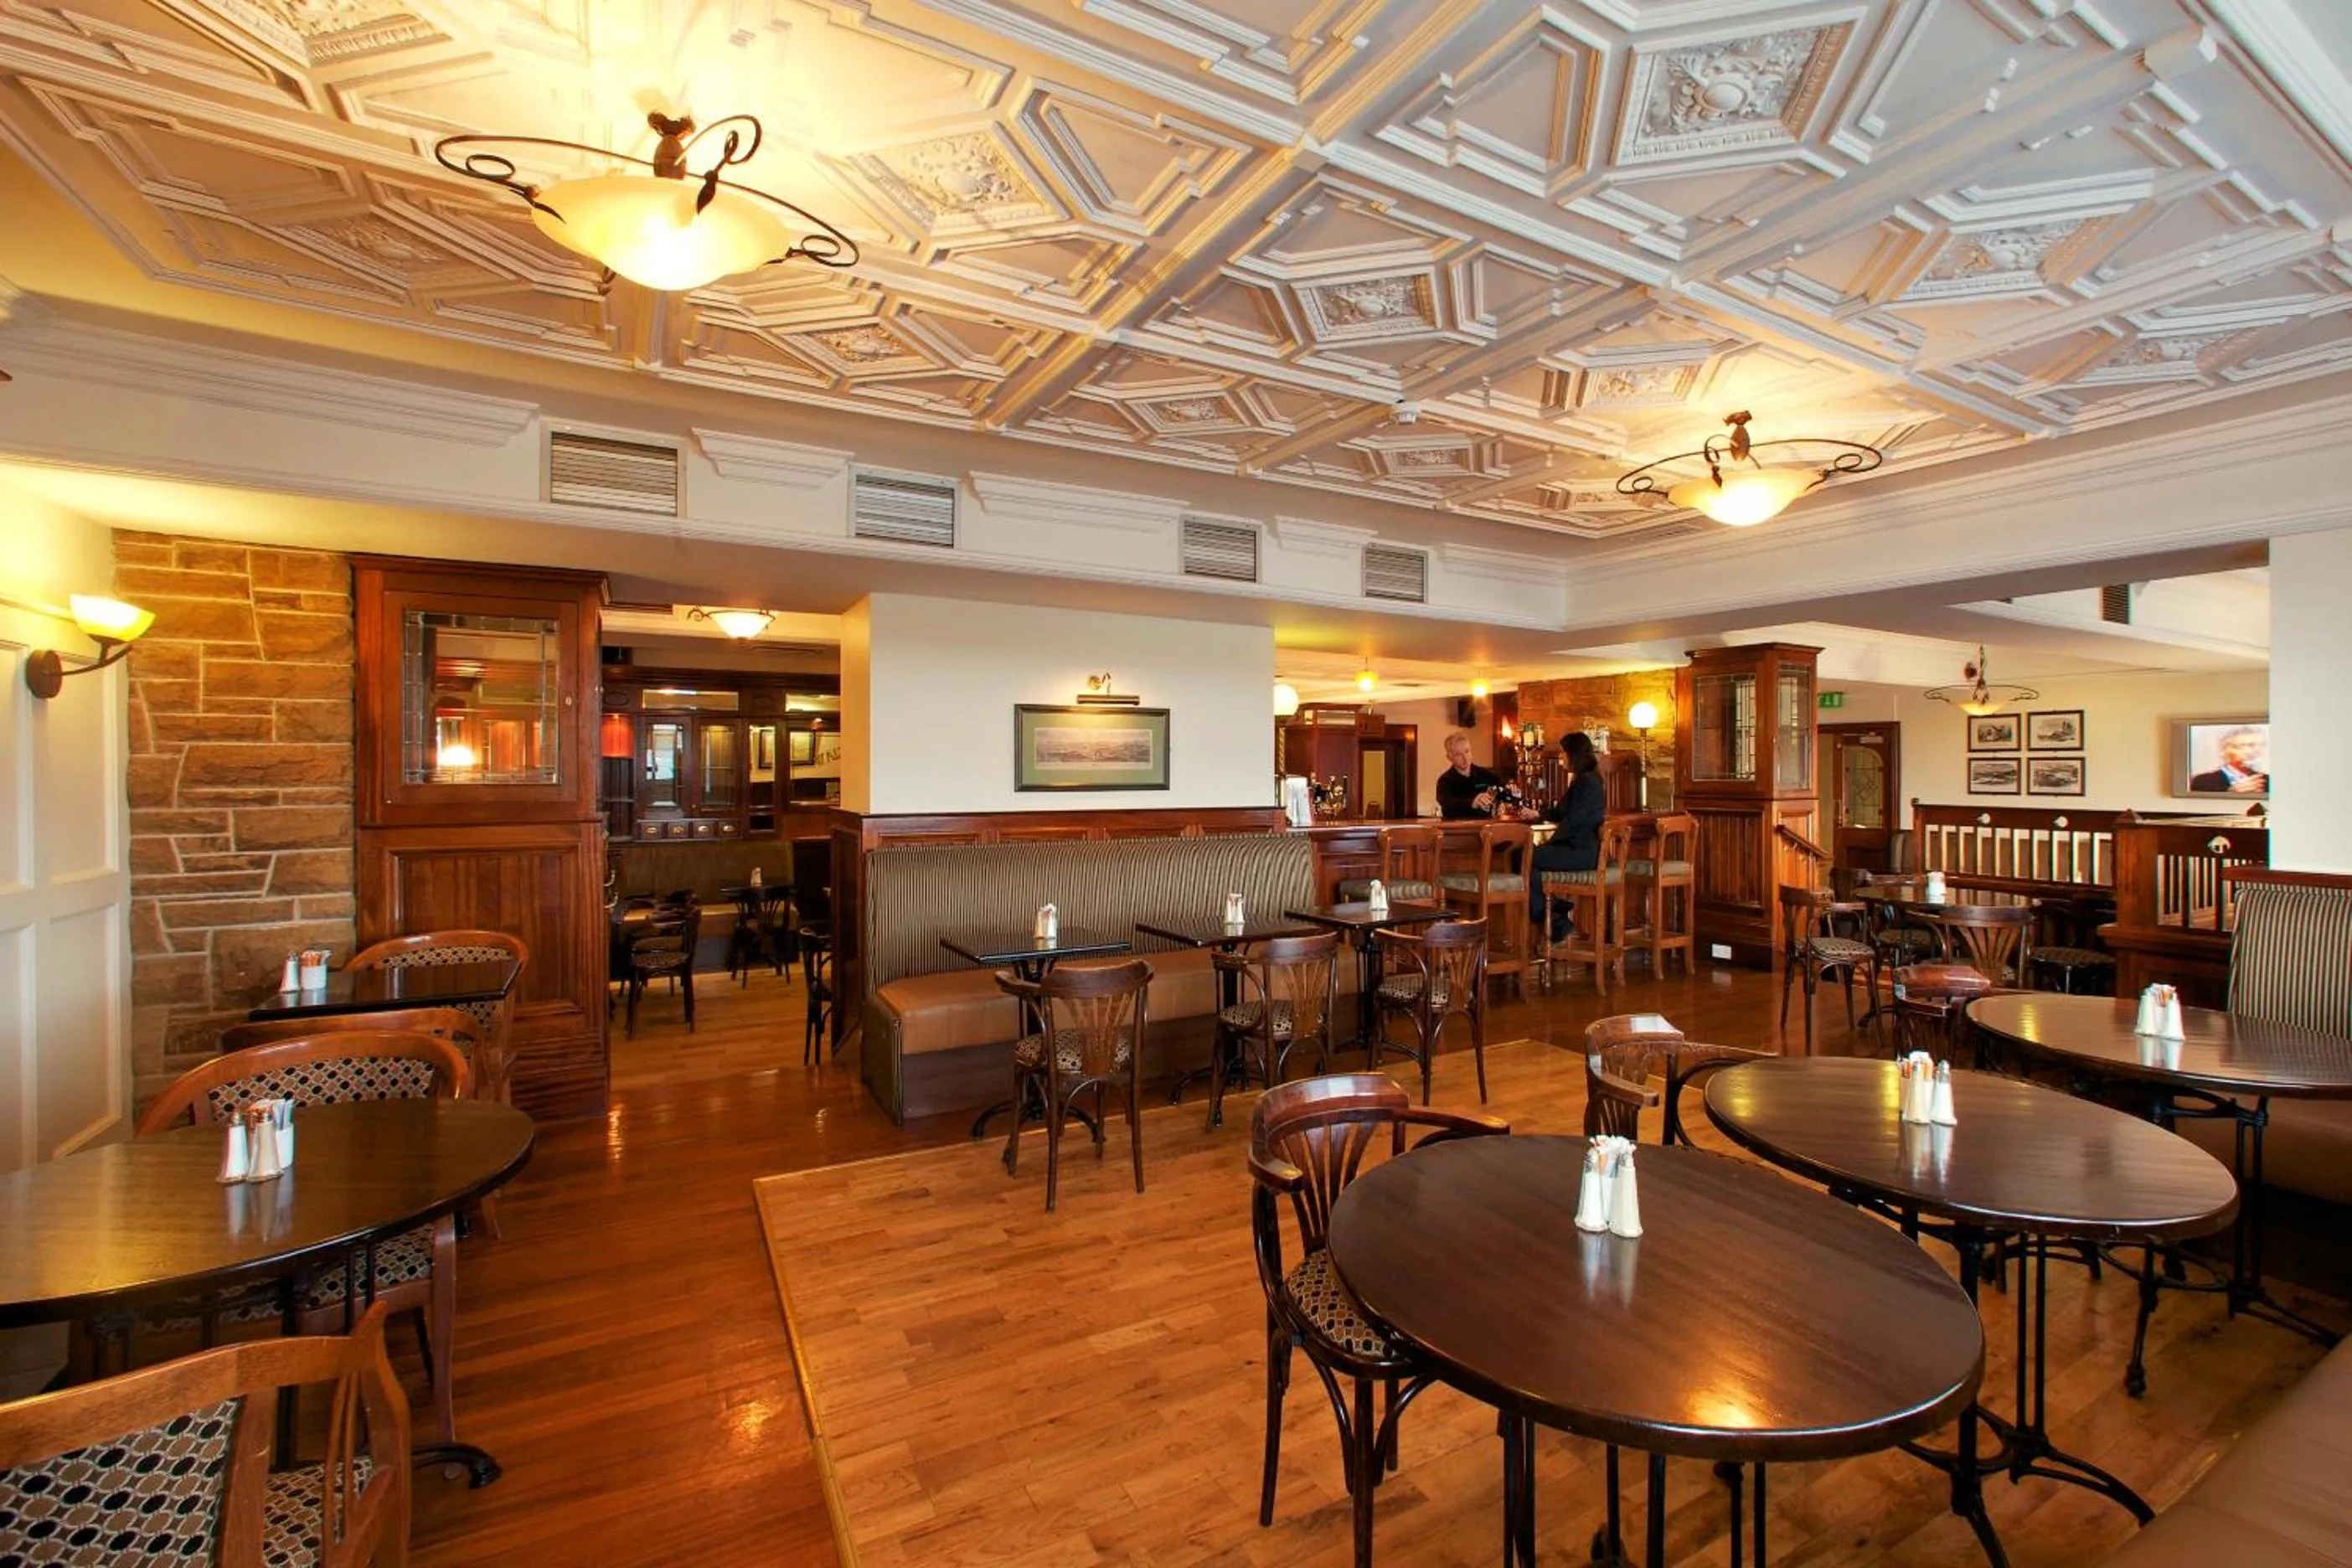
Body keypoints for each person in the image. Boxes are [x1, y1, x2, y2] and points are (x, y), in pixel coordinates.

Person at [1529, 731, 1606, 943]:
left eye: (1563, 753)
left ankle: (1555, 916)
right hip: (1578, 849)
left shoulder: (1587, 782)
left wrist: (1550, 844)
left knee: (1523, 856)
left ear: (1573, 754)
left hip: (1580, 852)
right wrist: (1538, 815)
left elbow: (1573, 822)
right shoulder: (1585, 779)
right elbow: (1561, 812)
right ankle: (1555, 911)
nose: (1561, 757)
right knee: (1528, 861)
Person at [1434, 730, 1514, 818]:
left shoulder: (1485, 774)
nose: (1465, 758)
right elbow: (1448, 804)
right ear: (1450, 757)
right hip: (1456, 830)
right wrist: (1472, 803)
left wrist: (1510, 790)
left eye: (1467, 751)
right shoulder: (1445, 781)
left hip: (1485, 828)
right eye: (1458, 755)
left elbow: (1504, 790)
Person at [2188, 726, 2268, 794]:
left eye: (2257, 746)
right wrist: (2230, 794)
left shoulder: (2270, 781)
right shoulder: (2203, 781)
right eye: (2241, 746)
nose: (2250, 752)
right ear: (2224, 751)